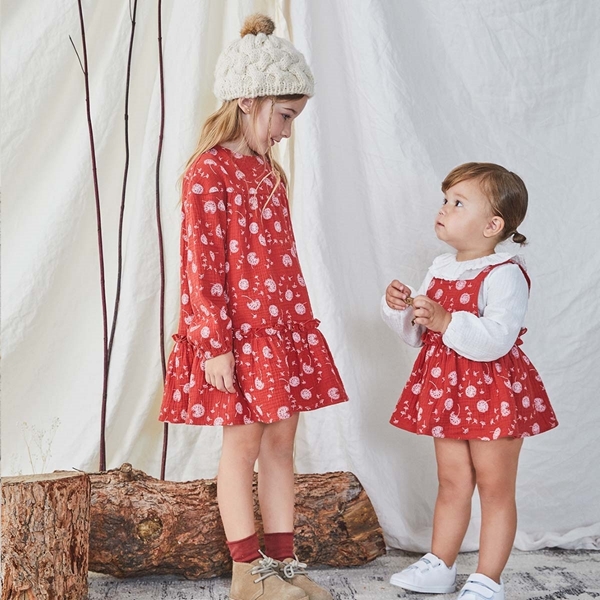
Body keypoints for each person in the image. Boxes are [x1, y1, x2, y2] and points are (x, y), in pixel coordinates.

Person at [159, 14, 347, 600]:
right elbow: (202, 264)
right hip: (235, 338)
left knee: (282, 446)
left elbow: (280, 261)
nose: (288, 131)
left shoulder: (268, 171)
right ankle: (248, 575)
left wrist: (293, 327)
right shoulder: (207, 173)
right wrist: (213, 342)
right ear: (248, 100)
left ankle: (283, 568)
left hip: (278, 331)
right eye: (285, 116)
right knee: (241, 448)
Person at [381, 163, 558, 600]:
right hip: (448, 391)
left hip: (493, 392)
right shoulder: (441, 267)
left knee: (495, 486)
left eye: (458, 203)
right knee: (453, 481)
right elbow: (418, 335)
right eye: (445, 200)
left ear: (492, 225)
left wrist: (445, 318)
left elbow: (497, 339)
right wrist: (403, 310)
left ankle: (488, 578)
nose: (444, 209)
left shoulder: (505, 273)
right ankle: (440, 564)